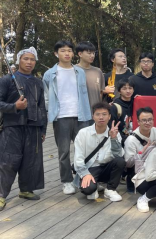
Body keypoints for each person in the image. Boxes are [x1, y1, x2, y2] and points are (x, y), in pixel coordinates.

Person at [0, 48, 47, 210]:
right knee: (8, 161)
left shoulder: (38, 82)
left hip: (33, 127)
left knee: (30, 160)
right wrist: (15, 106)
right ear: (19, 60)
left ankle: (26, 189)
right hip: (12, 127)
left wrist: (43, 129)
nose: (29, 62)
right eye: (25, 59)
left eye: (32, 59)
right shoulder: (7, 80)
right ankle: (1, 195)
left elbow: (41, 107)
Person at [43, 40, 92, 195]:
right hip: (61, 117)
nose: (67, 53)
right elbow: (46, 97)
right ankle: (67, 181)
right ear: (56, 53)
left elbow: (84, 94)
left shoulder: (79, 72)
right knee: (63, 152)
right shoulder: (50, 74)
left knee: (83, 150)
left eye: (69, 50)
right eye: (63, 50)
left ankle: (82, 178)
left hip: (81, 116)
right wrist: (49, 113)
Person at [73, 102, 125, 201]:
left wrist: (114, 139)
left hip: (106, 167)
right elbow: (78, 158)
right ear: (93, 117)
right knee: (88, 190)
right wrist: (85, 174)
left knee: (120, 161)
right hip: (90, 168)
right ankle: (95, 185)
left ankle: (110, 189)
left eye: (104, 114)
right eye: (98, 114)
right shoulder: (83, 133)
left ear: (109, 116)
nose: (101, 117)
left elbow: (119, 155)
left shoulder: (114, 133)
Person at [124, 107, 156, 193]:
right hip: (139, 171)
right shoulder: (131, 140)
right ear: (138, 122)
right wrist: (142, 153)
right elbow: (128, 164)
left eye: (150, 120)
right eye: (144, 120)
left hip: (154, 168)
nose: (147, 123)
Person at [75, 41, 106, 113]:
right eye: (89, 53)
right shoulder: (73, 71)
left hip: (96, 112)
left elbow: (101, 92)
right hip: (79, 113)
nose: (92, 55)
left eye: (93, 53)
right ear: (80, 54)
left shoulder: (98, 71)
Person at [110, 79, 135, 146]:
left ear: (133, 90)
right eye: (124, 89)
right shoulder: (115, 107)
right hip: (121, 141)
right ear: (119, 91)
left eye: (130, 88)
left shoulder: (136, 103)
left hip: (135, 140)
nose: (128, 91)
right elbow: (111, 126)